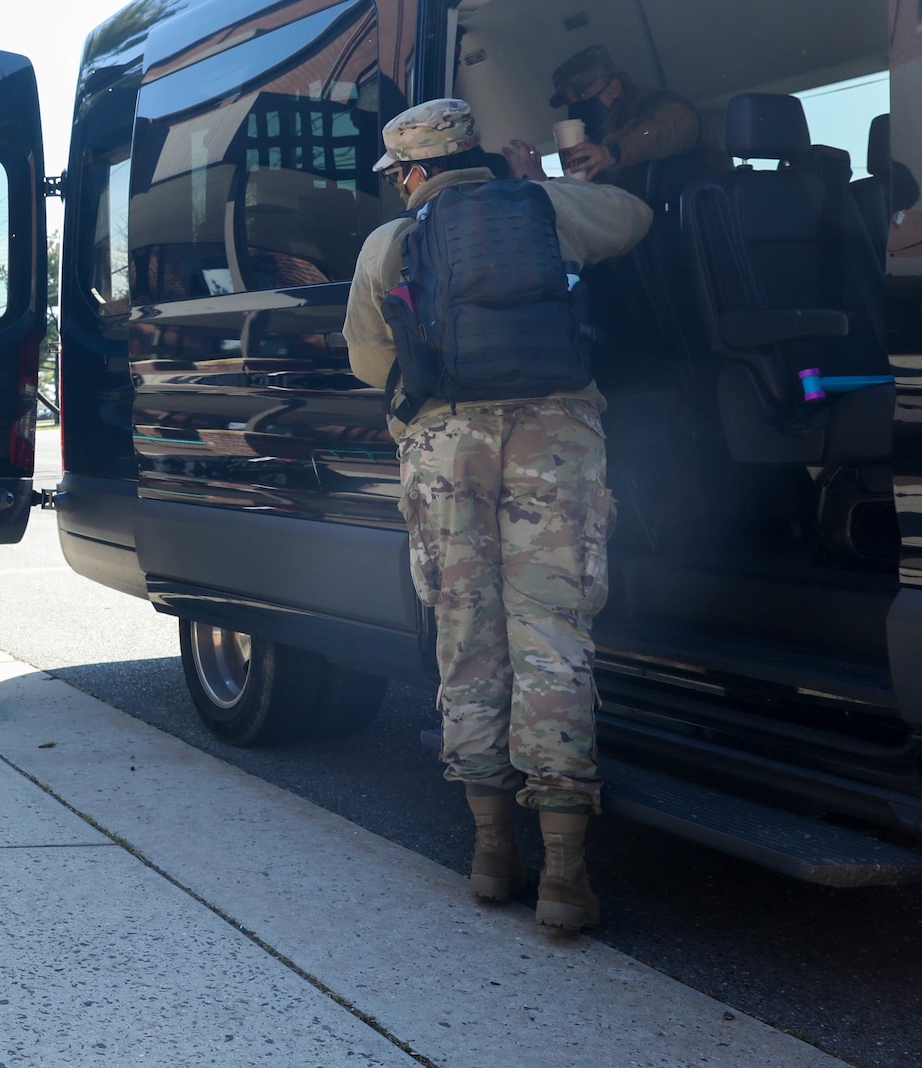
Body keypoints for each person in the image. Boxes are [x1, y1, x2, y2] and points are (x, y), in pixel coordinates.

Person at [344, 99, 651, 932]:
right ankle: (564, 876)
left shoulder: (390, 242)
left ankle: (489, 855)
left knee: (466, 635)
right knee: (553, 638)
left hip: (444, 446)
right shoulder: (546, 206)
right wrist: (541, 179)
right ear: (474, 153)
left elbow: (372, 359)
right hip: (557, 433)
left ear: (411, 172)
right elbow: (636, 218)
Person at [505, 44, 724, 198]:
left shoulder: (648, 104)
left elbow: (676, 124)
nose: (577, 105)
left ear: (615, 86)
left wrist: (613, 151)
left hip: (701, 222)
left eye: (582, 95)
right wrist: (544, 183)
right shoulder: (594, 144)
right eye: (568, 100)